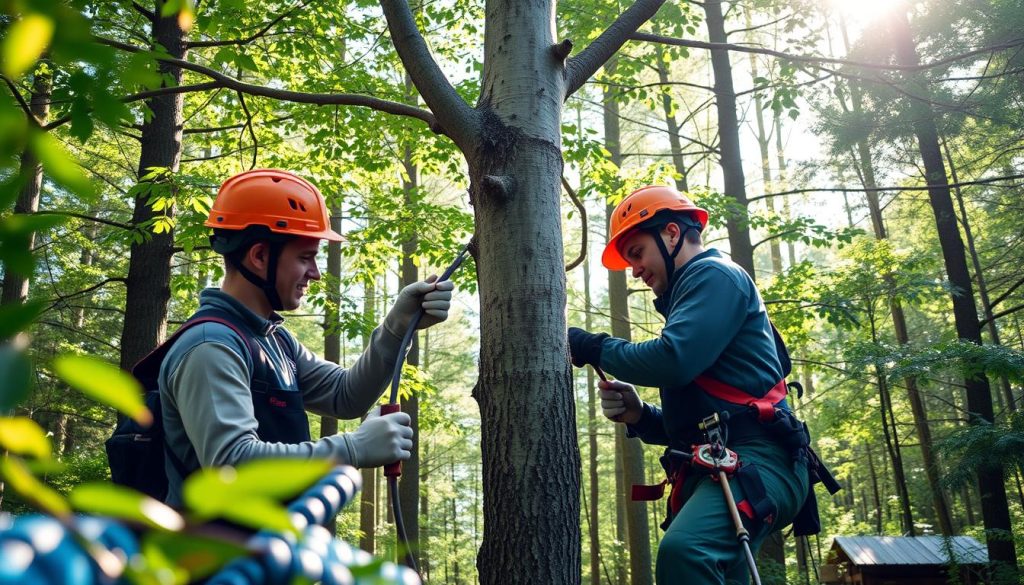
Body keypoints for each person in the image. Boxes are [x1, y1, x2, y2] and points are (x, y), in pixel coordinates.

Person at [158, 169, 453, 507]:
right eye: (305, 257)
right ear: (260, 257)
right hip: (219, 556)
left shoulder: (274, 342)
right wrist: (353, 448)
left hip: (265, 551)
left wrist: (397, 327)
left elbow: (346, 396)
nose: (314, 273)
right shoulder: (211, 347)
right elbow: (234, 465)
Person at [568, 185, 813, 585]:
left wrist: (593, 347)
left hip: (760, 459)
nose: (635, 270)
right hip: (729, 461)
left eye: (637, 253)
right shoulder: (696, 295)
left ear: (670, 234)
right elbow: (711, 419)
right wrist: (641, 415)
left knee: (687, 551)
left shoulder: (715, 275)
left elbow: (674, 359)